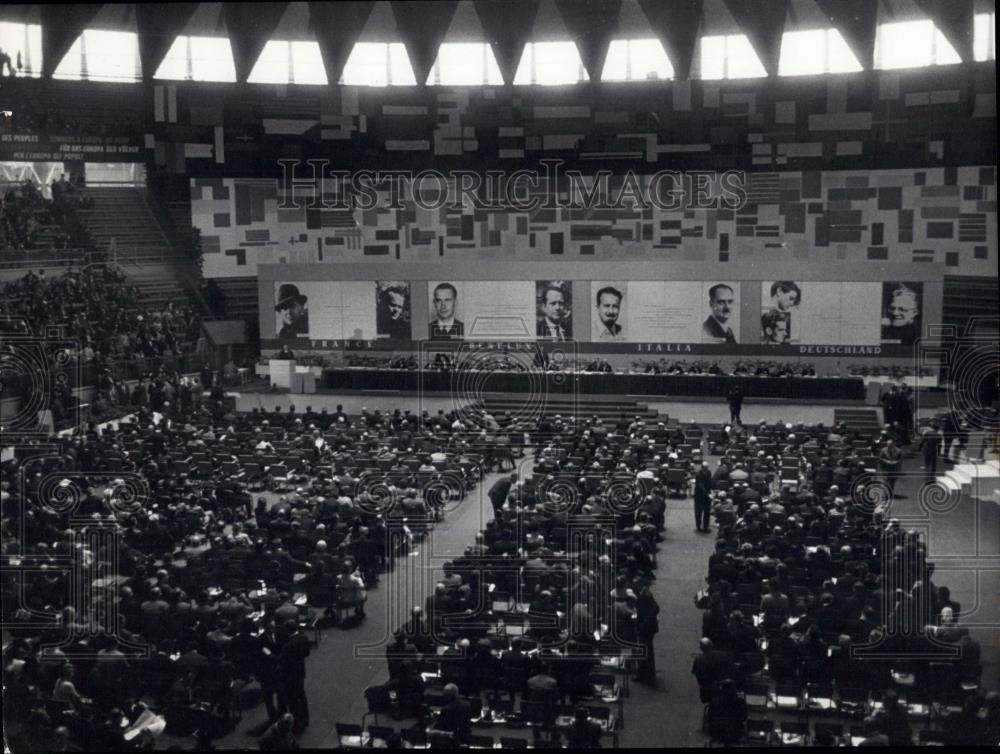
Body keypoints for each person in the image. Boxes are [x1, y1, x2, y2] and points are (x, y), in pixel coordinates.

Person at [278, 620, 311, 733]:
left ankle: (297, 724)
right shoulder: (303, 637)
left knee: (293, 701)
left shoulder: (288, 646)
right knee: (301, 696)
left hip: (290, 676)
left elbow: (284, 663)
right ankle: (305, 719)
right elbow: (307, 653)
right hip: (300, 671)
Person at [694, 461, 713, 533]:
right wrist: (707, 494)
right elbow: (700, 486)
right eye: (704, 468)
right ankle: (698, 526)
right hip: (699, 495)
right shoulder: (698, 474)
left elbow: (709, 483)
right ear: (701, 468)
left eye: (706, 468)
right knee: (698, 512)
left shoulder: (709, 473)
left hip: (707, 495)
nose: (706, 470)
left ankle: (705, 526)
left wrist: (711, 491)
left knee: (707, 512)